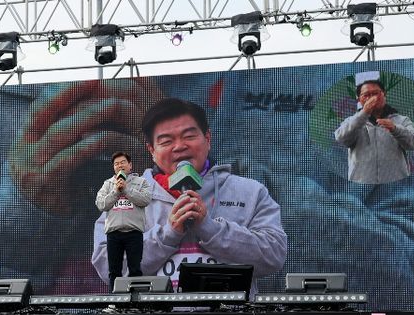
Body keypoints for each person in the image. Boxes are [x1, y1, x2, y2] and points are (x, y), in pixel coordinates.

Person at [92, 98, 288, 296]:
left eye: (189, 136)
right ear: (152, 150)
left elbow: (274, 255)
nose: (179, 146)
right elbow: (108, 266)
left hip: (229, 314)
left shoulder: (250, 192)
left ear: (207, 139)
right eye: (166, 141)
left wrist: (211, 229)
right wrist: (167, 234)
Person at [334, 79, 414, 184]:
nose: (372, 98)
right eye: (366, 95)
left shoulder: (401, 120)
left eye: (375, 93)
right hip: (361, 185)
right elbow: (341, 139)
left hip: (395, 184)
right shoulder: (351, 121)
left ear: (384, 94)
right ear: (359, 99)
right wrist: (364, 113)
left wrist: (395, 129)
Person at [96, 151, 152, 291]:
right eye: (116, 164)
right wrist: (116, 191)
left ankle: (135, 300)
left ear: (130, 165)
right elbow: (101, 204)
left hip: (134, 232)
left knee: (135, 269)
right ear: (113, 167)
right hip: (114, 234)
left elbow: (145, 200)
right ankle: (114, 300)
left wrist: (126, 189)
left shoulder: (141, 182)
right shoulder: (108, 184)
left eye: (122, 162)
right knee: (114, 271)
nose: (120, 166)